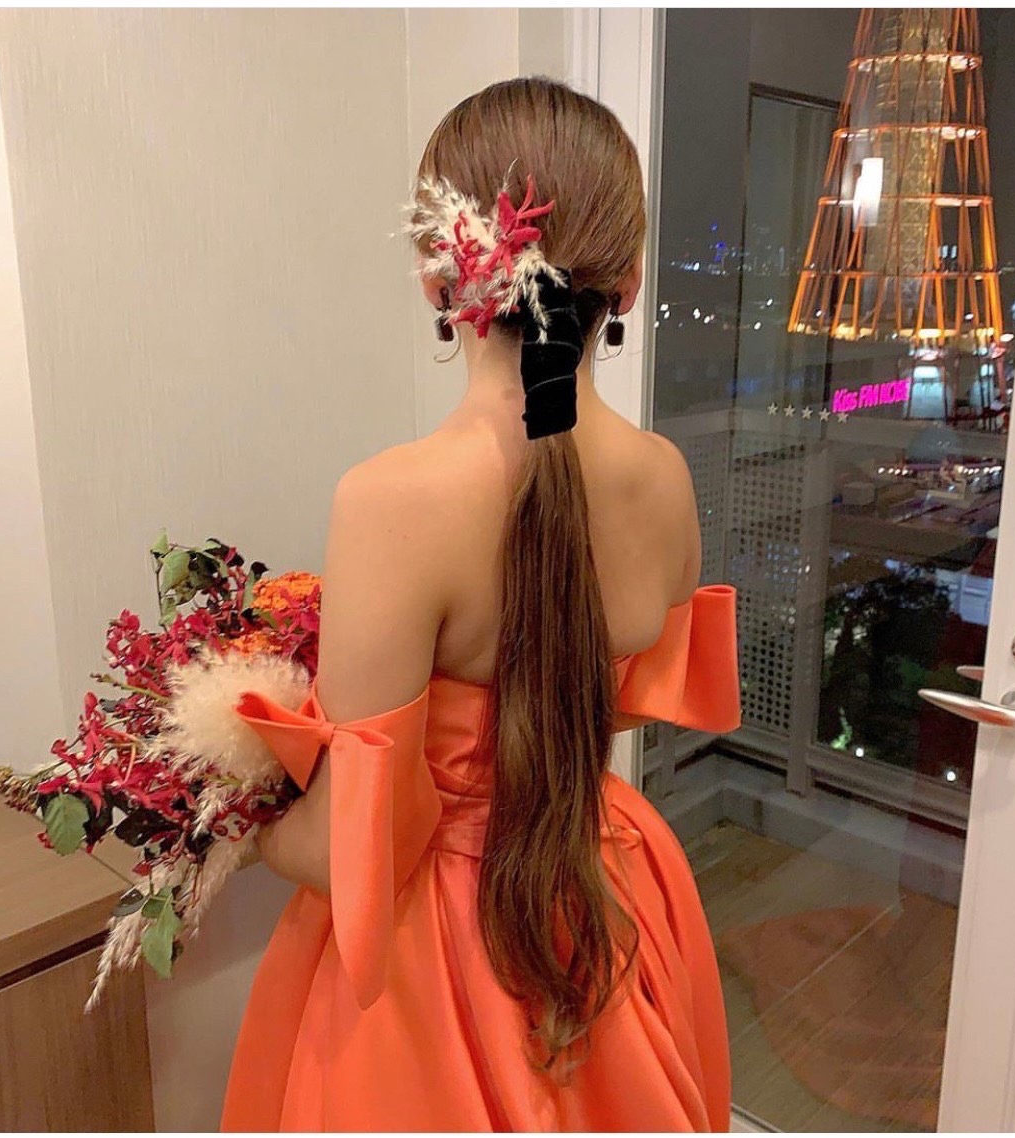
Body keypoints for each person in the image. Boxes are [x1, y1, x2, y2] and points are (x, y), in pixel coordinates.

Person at [220, 76, 741, 1132]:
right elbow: (603, 696)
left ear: (435, 272)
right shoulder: (664, 479)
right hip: (611, 892)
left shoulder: (393, 501)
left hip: (442, 945)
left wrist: (228, 810)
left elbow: (355, 845)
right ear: (629, 280)